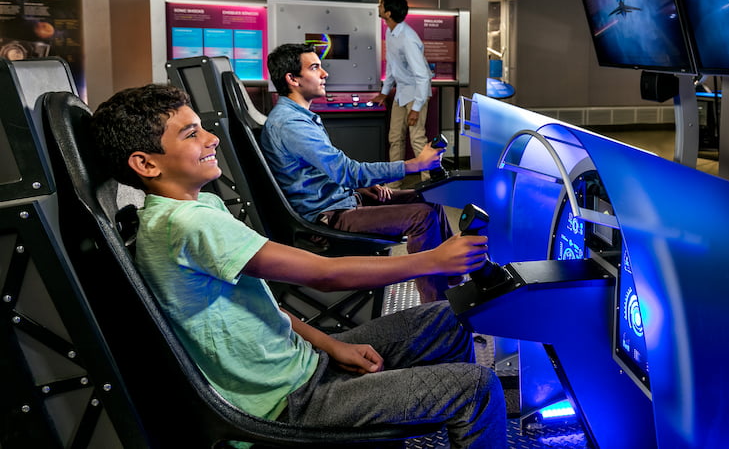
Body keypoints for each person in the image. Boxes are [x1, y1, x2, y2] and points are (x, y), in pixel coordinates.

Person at [90, 83, 507, 448]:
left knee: (448, 319)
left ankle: (408, 415)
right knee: (477, 388)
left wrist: (331, 344)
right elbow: (323, 275)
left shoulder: (197, 207)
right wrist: (433, 260)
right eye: (191, 134)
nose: (212, 138)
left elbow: (263, 305)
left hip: (306, 365)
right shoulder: (188, 224)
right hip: (290, 402)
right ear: (146, 164)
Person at [261, 42, 454, 303]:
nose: (324, 74)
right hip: (327, 218)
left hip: (342, 201)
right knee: (423, 217)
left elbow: (324, 174)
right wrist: (414, 165)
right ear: (292, 79)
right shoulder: (291, 123)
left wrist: (357, 189)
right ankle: (437, 308)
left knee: (431, 199)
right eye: (315, 68)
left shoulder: (299, 117)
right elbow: (347, 171)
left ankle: (454, 282)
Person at [372, 0, 434, 185]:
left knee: (417, 139)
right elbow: (392, 66)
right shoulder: (391, 32)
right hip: (401, 93)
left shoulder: (408, 38)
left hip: (417, 94)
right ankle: (394, 183)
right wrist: (384, 92)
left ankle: (429, 183)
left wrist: (416, 108)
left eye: (381, 4)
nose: (378, 7)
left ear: (388, 13)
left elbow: (423, 76)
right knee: (395, 138)